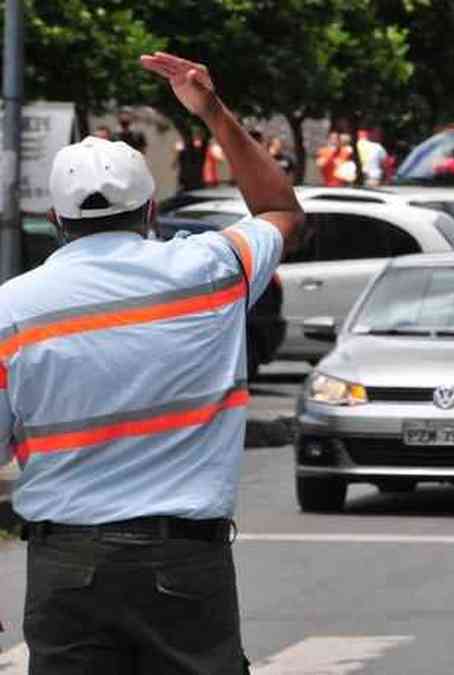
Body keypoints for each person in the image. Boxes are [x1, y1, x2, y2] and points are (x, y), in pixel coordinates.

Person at [0, 51, 303, 673]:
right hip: (185, 565)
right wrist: (212, 111)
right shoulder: (211, 271)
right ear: (152, 210)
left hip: (66, 568)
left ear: (55, 220)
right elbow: (281, 210)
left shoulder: (11, 311)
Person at [174, 127, 208, 192]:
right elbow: (176, 163)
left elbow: (175, 163)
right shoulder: (197, 152)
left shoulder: (198, 152)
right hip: (190, 182)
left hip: (191, 182)